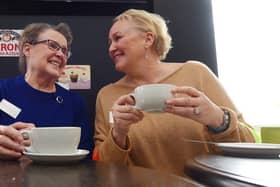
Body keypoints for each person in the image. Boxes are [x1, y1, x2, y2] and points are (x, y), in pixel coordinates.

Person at [93, 9, 255, 176]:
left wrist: (218, 119)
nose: (111, 48)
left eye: (118, 38)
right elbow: (103, 168)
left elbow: (249, 142)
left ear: (148, 39)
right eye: (109, 42)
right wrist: (118, 133)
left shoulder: (196, 73)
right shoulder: (107, 96)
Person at [0, 22, 93, 160]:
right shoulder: (3, 90)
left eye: (64, 50)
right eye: (53, 45)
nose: (60, 54)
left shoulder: (74, 103)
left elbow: (86, 153)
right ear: (27, 49)